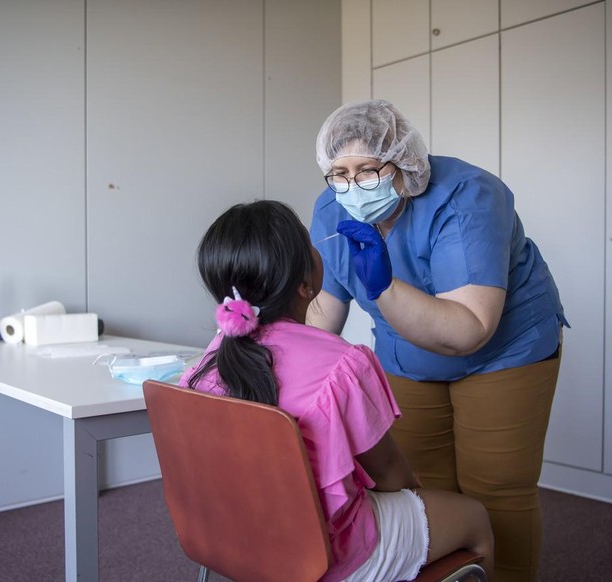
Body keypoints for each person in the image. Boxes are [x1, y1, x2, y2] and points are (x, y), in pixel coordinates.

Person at [308, 99, 568, 582]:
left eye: (368, 169)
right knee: (422, 493)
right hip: (407, 355)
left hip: (504, 351)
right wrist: (282, 355)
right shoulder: (332, 208)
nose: (352, 186)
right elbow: (326, 306)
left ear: (403, 165)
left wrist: (384, 285)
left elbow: (468, 329)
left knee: (496, 492)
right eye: (339, 173)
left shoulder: (468, 197)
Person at [181, 200, 493, 582]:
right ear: (305, 282)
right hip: (329, 554)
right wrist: (413, 493)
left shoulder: (204, 365)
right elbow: (391, 474)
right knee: (475, 518)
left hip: (236, 536)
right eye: (308, 242)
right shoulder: (343, 365)